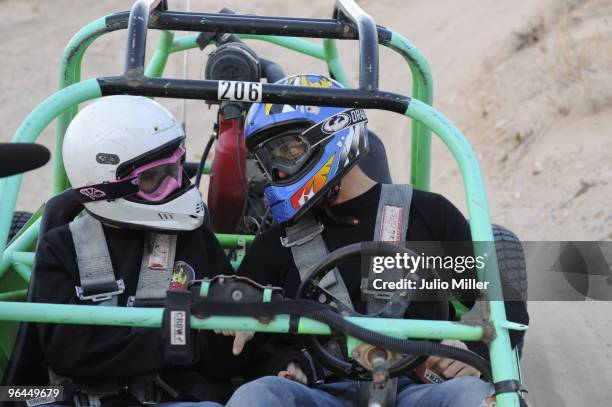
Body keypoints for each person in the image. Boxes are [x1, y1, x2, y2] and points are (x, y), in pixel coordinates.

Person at [221, 74, 529, 406]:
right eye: (269, 161)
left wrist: (469, 350)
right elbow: (241, 351)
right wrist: (283, 363)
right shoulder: (274, 246)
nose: (279, 172)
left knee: (475, 397)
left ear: (333, 130)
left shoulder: (426, 214)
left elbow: (505, 305)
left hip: (418, 388)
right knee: (256, 395)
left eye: (286, 151)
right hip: (320, 392)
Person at [33, 96, 231, 406]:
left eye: (176, 168)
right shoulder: (61, 248)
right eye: (154, 178)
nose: (175, 185)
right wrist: (178, 340)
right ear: (105, 187)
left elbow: (226, 349)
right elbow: (68, 352)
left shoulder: (193, 238)